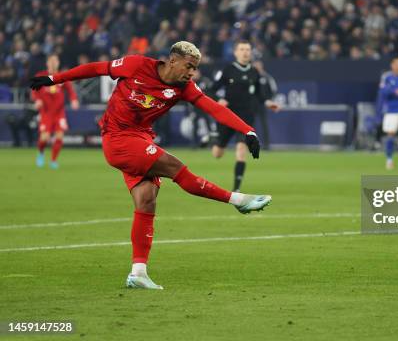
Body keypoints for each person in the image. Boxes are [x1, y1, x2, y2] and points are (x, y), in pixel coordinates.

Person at [30, 41, 271, 290]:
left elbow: (213, 108)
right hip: (117, 138)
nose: (191, 73)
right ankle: (238, 200)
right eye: (188, 66)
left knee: (146, 198)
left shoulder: (184, 87)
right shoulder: (136, 65)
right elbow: (96, 68)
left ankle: (138, 272)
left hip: (141, 138)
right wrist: (54, 78)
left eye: (195, 68)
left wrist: (248, 131)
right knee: (175, 167)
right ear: (172, 60)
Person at [209, 41, 280, 192]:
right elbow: (212, 89)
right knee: (217, 154)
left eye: (248, 49)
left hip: (246, 117)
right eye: (242, 49)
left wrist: (268, 103)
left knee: (241, 151)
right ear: (235, 52)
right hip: (228, 116)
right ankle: (212, 136)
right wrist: (219, 99)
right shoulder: (228, 70)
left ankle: (236, 190)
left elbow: (260, 94)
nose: (245, 52)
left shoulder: (254, 71)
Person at [30, 54, 79, 169]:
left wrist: (74, 100)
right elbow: (34, 91)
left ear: (58, 63)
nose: (53, 63)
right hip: (46, 112)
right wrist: (37, 100)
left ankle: (53, 160)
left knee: (59, 137)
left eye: (55, 61)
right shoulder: (41, 76)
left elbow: (70, 90)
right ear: (47, 63)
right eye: (50, 61)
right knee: (45, 138)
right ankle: (41, 153)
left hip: (59, 112)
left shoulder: (62, 76)